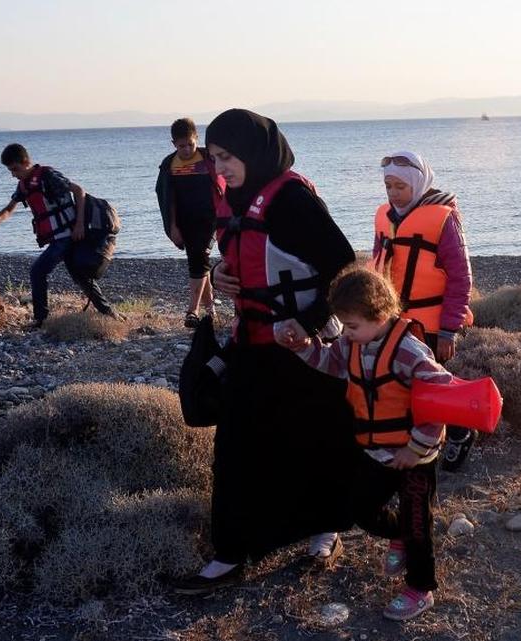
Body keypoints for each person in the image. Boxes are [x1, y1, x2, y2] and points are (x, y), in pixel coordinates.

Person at [172, 109, 357, 595]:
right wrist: (220, 273)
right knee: (235, 449)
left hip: (305, 349)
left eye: (226, 158)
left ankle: (325, 531)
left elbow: (343, 267)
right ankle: (231, 552)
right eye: (214, 158)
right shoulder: (234, 198)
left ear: (253, 153)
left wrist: (308, 322)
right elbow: (242, 255)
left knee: (314, 438)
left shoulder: (292, 198)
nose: (219, 168)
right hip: (251, 344)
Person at [280, 267, 452, 621]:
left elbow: (441, 397)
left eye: (352, 326)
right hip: (377, 451)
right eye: (344, 326)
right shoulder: (351, 344)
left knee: (419, 525)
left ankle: (420, 589)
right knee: (361, 509)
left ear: (381, 314)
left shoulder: (409, 352)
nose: (346, 333)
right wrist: (303, 348)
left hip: (416, 458)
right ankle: (397, 534)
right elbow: (329, 362)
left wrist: (416, 448)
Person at [370, 150, 475, 471]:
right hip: (394, 319)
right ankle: (417, 445)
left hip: (432, 322)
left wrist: (449, 330)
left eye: (400, 186)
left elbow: (461, 278)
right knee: (402, 385)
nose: (393, 193)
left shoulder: (444, 219)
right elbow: (377, 266)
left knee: (433, 386)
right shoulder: (384, 216)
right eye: (388, 186)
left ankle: (460, 433)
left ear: (417, 183)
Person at [0, 143, 122, 327]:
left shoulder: (48, 175)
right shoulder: (24, 185)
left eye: (15, 169)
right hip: (59, 238)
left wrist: (79, 224)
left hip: (67, 236)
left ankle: (41, 320)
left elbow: (78, 191)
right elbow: (9, 208)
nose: (13, 174)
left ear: (25, 162)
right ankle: (111, 315)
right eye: (10, 170)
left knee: (38, 271)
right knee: (81, 277)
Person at [155, 117, 224, 328]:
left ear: (197, 139)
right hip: (185, 222)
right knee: (199, 261)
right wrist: (172, 227)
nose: (186, 149)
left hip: (211, 220)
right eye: (181, 146)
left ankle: (192, 311)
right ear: (173, 144)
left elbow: (226, 182)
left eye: (190, 144)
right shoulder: (169, 165)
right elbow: (166, 199)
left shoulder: (209, 159)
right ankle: (210, 310)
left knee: (199, 258)